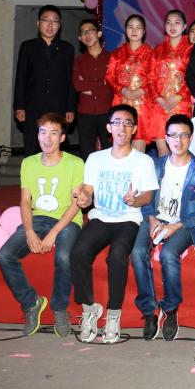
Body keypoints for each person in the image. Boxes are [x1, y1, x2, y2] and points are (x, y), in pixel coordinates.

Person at [70, 104, 158, 344]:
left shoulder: (143, 161)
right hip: (100, 217)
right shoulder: (95, 158)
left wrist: (134, 200)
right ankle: (89, 309)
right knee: (78, 253)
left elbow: (148, 196)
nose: (122, 127)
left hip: (128, 219)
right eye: (117, 122)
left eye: (127, 123)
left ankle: (113, 315)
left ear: (134, 129)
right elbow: (88, 190)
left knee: (118, 256)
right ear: (108, 128)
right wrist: (84, 197)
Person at [0, 112, 84, 337]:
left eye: (53, 133)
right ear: (37, 135)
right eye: (43, 132)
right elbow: (25, 201)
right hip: (38, 218)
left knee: (63, 257)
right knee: (4, 255)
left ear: (62, 138)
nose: (47, 138)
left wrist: (53, 233)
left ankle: (59, 308)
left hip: (68, 220)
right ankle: (31, 303)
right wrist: (29, 231)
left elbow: (76, 204)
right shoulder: (29, 163)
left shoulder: (75, 163)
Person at [131, 114, 195, 342]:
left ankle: (171, 309)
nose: (178, 140)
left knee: (168, 254)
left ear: (191, 138)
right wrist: (152, 219)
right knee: (137, 252)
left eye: (183, 135)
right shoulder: (155, 165)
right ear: (165, 138)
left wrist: (178, 225)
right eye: (173, 135)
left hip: (185, 224)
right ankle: (149, 311)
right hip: (155, 219)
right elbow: (146, 199)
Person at [14, 5, 76, 155]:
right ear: (38, 23)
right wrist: (19, 106)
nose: (50, 25)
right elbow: (21, 77)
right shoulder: (27, 47)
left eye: (55, 21)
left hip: (58, 106)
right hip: (32, 106)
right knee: (31, 145)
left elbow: (71, 80)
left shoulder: (67, 48)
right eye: (46, 20)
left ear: (59, 25)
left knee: (55, 146)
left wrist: (70, 107)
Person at [105, 14, 156, 152]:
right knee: (121, 144)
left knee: (139, 149)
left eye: (138, 28)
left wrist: (142, 90)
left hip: (143, 104)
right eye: (130, 27)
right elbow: (109, 77)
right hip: (121, 101)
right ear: (125, 29)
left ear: (144, 31)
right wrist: (122, 90)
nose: (134, 31)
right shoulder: (117, 53)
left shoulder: (151, 53)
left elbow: (155, 78)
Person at [150, 10, 193, 156]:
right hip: (159, 106)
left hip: (181, 104)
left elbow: (194, 77)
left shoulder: (191, 49)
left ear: (184, 26)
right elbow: (150, 78)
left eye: (177, 23)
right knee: (162, 150)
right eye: (169, 23)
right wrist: (158, 98)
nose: (172, 26)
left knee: (180, 150)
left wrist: (180, 95)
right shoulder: (157, 50)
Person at [72, 18, 112, 159]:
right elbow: (77, 85)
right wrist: (102, 84)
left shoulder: (112, 58)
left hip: (107, 111)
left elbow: (112, 84)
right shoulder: (78, 61)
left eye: (90, 31)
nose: (87, 35)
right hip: (85, 112)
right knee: (86, 152)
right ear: (80, 38)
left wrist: (88, 85)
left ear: (99, 33)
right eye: (83, 32)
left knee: (110, 151)